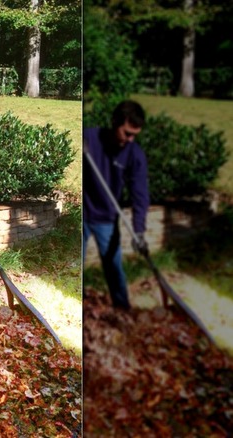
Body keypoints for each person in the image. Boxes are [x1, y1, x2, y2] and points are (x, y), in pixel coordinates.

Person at [83, 100, 149, 310]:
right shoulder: (89, 138)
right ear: (114, 122)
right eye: (127, 133)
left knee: (114, 266)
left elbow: (140, 195)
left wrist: (138, 232)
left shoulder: (134, 153)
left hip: (107, 219)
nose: (130, 139)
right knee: (77, 265)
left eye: (134, 135)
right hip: (83, 215)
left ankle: (123, 310)